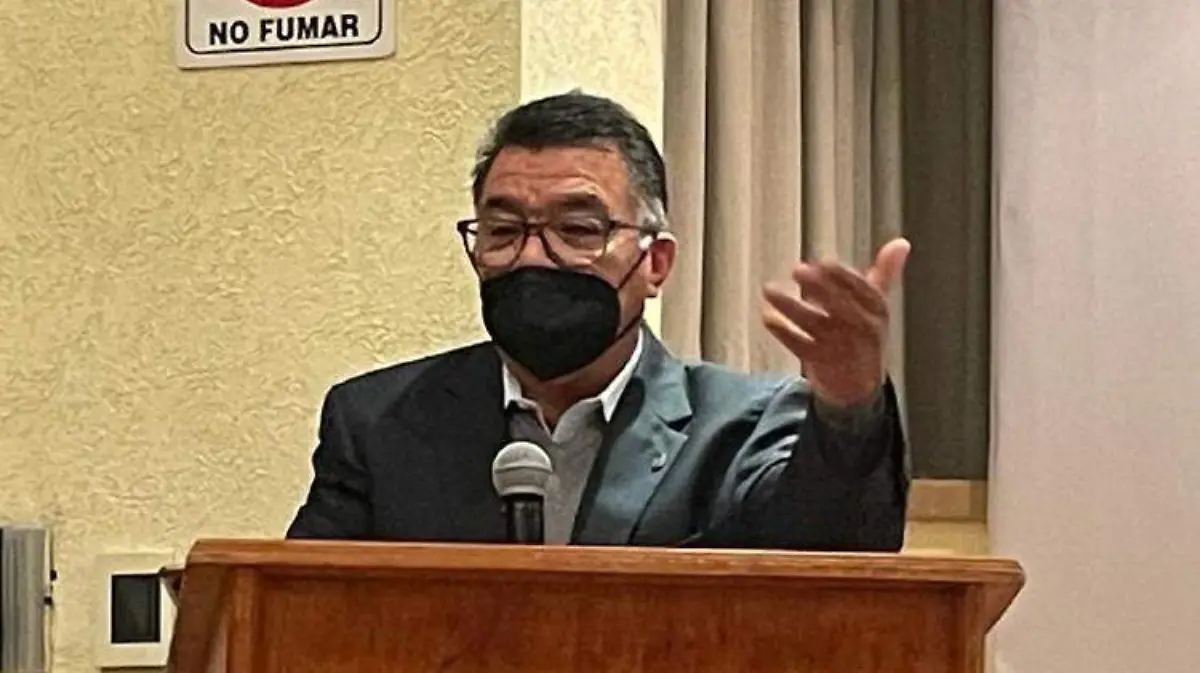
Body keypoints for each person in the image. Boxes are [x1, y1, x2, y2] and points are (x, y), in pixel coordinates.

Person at [286, 92, 912, 551]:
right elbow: (299, 614)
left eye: (578, 229)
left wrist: (850, 403)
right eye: (502, 230)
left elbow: (834, 554)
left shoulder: (743, 428)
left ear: (655, 262)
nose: (532, 257)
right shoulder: (378, 423)